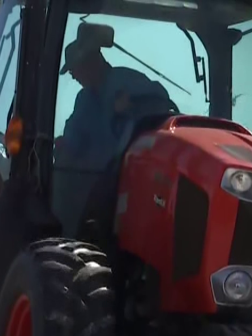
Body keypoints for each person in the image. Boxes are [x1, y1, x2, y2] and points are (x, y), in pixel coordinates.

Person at [53, 24, 175, 236]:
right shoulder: (85, 100)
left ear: (90, 61)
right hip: (93, 180)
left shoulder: (125, 83)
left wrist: (132, 107)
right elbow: (73, 141)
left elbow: (161, 104)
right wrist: (63, 146)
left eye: (74, 69)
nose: (72, 76)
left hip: (122, 181)